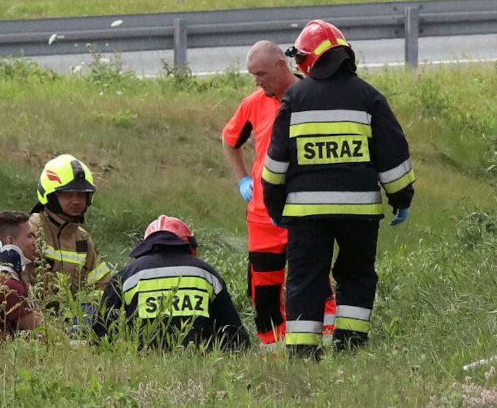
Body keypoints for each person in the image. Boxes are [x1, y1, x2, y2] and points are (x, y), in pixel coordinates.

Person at [262, 20, 415, 358]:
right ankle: (351, 349)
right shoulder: (369, 97)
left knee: (305, 279)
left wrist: (276, 208)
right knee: (357, 276)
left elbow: (274, 168)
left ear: (308, 60)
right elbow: (393, 157)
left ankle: (302, 356)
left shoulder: (295, 98)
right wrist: (401, 198)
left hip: (306, 215)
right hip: (359, 211)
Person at [222, 40, 333, 350]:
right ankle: (273, 352)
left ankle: (325, 346)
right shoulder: (253, 103)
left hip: (305, 211)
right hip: (263, 216)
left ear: (282, 67)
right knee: (263, 290)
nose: (258, 81)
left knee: (315, 284)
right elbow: (229, 140)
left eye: (261, 74)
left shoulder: (313, 96)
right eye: (253, 75)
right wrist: (243, 179)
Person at [94, 215, 249, 351]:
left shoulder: (126, 276)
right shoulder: (207, 274)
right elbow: (234, 335)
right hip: (201, 366)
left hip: (143, 365)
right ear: (189, 244)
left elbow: (101, 333)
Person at [27, 154, 112, 308]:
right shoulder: (31, 229)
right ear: (50, 195)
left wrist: (87, 310)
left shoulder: (83, 241)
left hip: (71, 328)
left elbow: (103, 286)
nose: (76, 201)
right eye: (67, 194)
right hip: (32, 325)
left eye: (81, 195)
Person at [0, 211, 42, 340]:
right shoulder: (5, 285)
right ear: (10, 241)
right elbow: (45, 332)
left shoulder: (5, 279)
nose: (35, 242)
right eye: (30, 236)